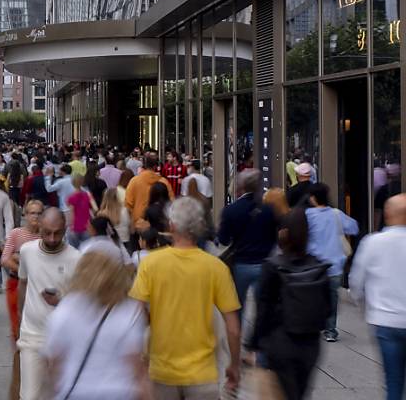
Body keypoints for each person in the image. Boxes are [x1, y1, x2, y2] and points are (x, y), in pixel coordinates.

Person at [130, 197, 242, 398]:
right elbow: (233, 328)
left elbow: (136, 316)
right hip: (203, 374)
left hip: (161, 372)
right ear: (199, 227)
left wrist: (138, 365)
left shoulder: (150, 264)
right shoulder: (216, 267)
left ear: (171, 226)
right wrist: (234, 365)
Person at [248, 207, 331, 400]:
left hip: (281, 342)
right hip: (310, 345)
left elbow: (263, 310)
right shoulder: (319, 267)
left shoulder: (273, 266)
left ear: (283, 232)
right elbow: (327, 309)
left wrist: (253, 344)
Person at [43, 251, 149, 399]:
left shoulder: (65, 309)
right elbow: (136, 368)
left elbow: (54, 362)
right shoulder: (128, 311)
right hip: (118, 393)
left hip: (76, 393)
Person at [16, 208, 82, 399]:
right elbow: (23, 282)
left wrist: (61, 301)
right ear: (39, 229)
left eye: (58, 233)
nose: (52, 238)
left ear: (65, 230)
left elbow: (82, 302)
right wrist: (21, 316)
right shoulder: (27, 251)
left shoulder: (76, 258)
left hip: (64, 340)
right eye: (47, 233)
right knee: (29, 396)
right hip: (32, 336)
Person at [350, 193, 406, 400]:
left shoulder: (373, 242)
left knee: (393, 381)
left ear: (388, 214)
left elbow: (356, 280)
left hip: (385, 320)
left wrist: (360, 303)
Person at [304, 183, 360, 342]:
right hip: (334, 265)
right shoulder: (336, 214)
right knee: (331, 298)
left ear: (313, 198)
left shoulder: (308, 214)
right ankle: (330, 330)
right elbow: (354, 228)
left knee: (313, 297)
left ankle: (313, 327)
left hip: (314, 265)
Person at [217, 169, 277, 311]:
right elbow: (274, 236)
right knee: (263, 307)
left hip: (241, 263)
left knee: (238, 304)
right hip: (264, 263)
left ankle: (238, 331)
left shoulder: (231, 210)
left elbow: (224, 240)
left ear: (240, 186)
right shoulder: (269, 209)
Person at [2, 199, 44, 341]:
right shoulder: (16, 234)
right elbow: (5, 259)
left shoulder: (47, 235)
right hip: (16, 284)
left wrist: (18, 257)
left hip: (39, 287)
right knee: (17, 329)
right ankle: (18, 360)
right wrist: (24, 269)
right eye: (32, 213)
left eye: (39, 213)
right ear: (25, 215)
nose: (36, 217)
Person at [124, 152, 173, 228]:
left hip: (139, 223)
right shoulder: (164, 182)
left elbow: (128, 204)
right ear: (155, 167)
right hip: (159, 223)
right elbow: (171, 203)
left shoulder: (134, 181)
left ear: (143, 166)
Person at [65, 174, 96, 248]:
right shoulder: (88, 195)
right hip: (87, 225)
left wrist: (70, 225)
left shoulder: (70, 198)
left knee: (75, 249)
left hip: (75, 226)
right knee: (87, 248)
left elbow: (71, 213)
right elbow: (94, 209)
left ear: (72, 183)